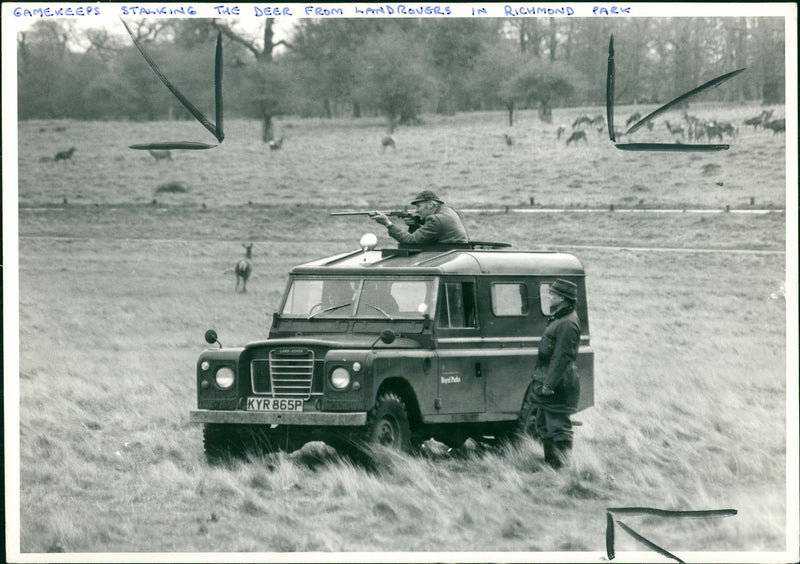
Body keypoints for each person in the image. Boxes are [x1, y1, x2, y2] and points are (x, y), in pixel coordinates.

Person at [521, 279, 582, 469]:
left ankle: (561, 469)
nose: (549, 297)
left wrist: (549, 384)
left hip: (558, 386)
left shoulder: (567, 323)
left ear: (562, 298)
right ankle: (551, 467)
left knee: (558, 428)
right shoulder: (561, 318)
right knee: (544, 426)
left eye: (552, 294)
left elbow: (562, 357)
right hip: (548, 383)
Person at [369, 190, 469, 246]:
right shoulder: (448, 211)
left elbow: (411, 240)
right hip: (451, 252)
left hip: (445, 253)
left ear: (430, 205)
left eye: (418, 206)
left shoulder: (435, 220)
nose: (416, 211)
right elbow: (429, 234)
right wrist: (415, 224)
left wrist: (388, 224)